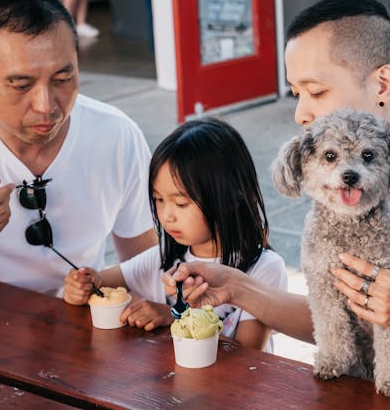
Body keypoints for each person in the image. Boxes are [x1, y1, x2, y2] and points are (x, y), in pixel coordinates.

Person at [163, 0, 390, 398]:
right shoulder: (335, 189)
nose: (301, 114)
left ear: (382, 84)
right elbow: (338, 318)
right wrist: (236, 286)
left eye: (315, 92)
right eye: (295, 93)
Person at [0, 0, 156, 296]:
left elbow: (144, 266)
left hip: (78, 324)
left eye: (63, 79)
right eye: (20, 85)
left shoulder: (116, 135)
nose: (46, 105)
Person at [64, 118, 288, 351]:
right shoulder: (162, 260)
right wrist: (81, 286)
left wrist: (175, 319)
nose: (167, 215)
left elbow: (248, 352)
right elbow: (98, 283)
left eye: (181, 204)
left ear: (230, 198)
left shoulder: (264, 269)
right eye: (159, 200)